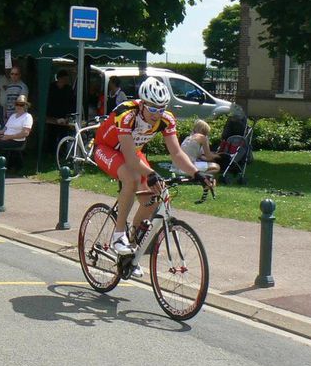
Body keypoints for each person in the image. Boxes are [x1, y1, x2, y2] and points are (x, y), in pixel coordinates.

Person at [92, 77, 202, 261]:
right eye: (152, 108)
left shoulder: (166, 120)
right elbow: (129, 157)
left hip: (133, 153)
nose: (156, 114)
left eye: (161, 108)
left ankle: (131, 253)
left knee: (152, 197)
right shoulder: (126, 114)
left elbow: (176, 153)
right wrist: (150, 173)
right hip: (106, 149)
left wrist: (197, 173)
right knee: (132, 178)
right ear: (142, 103)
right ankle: (118, 236)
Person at [0, 94, 33, 165]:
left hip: (17, 141)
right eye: (17, 104)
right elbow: (4, 130)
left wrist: (9, 137)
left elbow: (25, 133)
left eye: (21, 105)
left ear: (25, 106)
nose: (18, 106)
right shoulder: (13, 116)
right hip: (6, 138)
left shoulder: (28, 117)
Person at [45, 69, 75, 146]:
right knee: (51, 135)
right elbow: (48, 102)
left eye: (67, 79)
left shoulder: (69, 89)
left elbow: (72, 103)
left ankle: (62, 153)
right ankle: (50, 152)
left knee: (63, 135)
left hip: (64, 117)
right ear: (59, 78)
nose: (66, 80)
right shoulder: (51, 87)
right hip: (52, 117)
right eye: (65, 78)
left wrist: (68, 117)